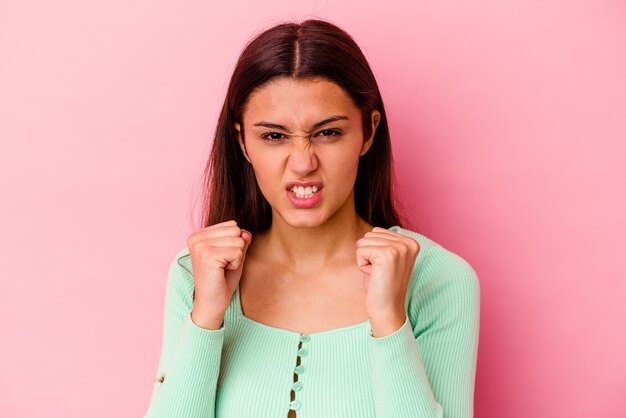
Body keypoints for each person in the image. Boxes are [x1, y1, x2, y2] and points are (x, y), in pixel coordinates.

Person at [144, 18, 480, 418]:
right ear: (242, 142)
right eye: (274, 136)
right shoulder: (196, 275)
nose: (303, 164)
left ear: (368, 132)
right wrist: (206, 318)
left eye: (327, 133)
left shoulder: (438, 280)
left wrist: (390, 324)